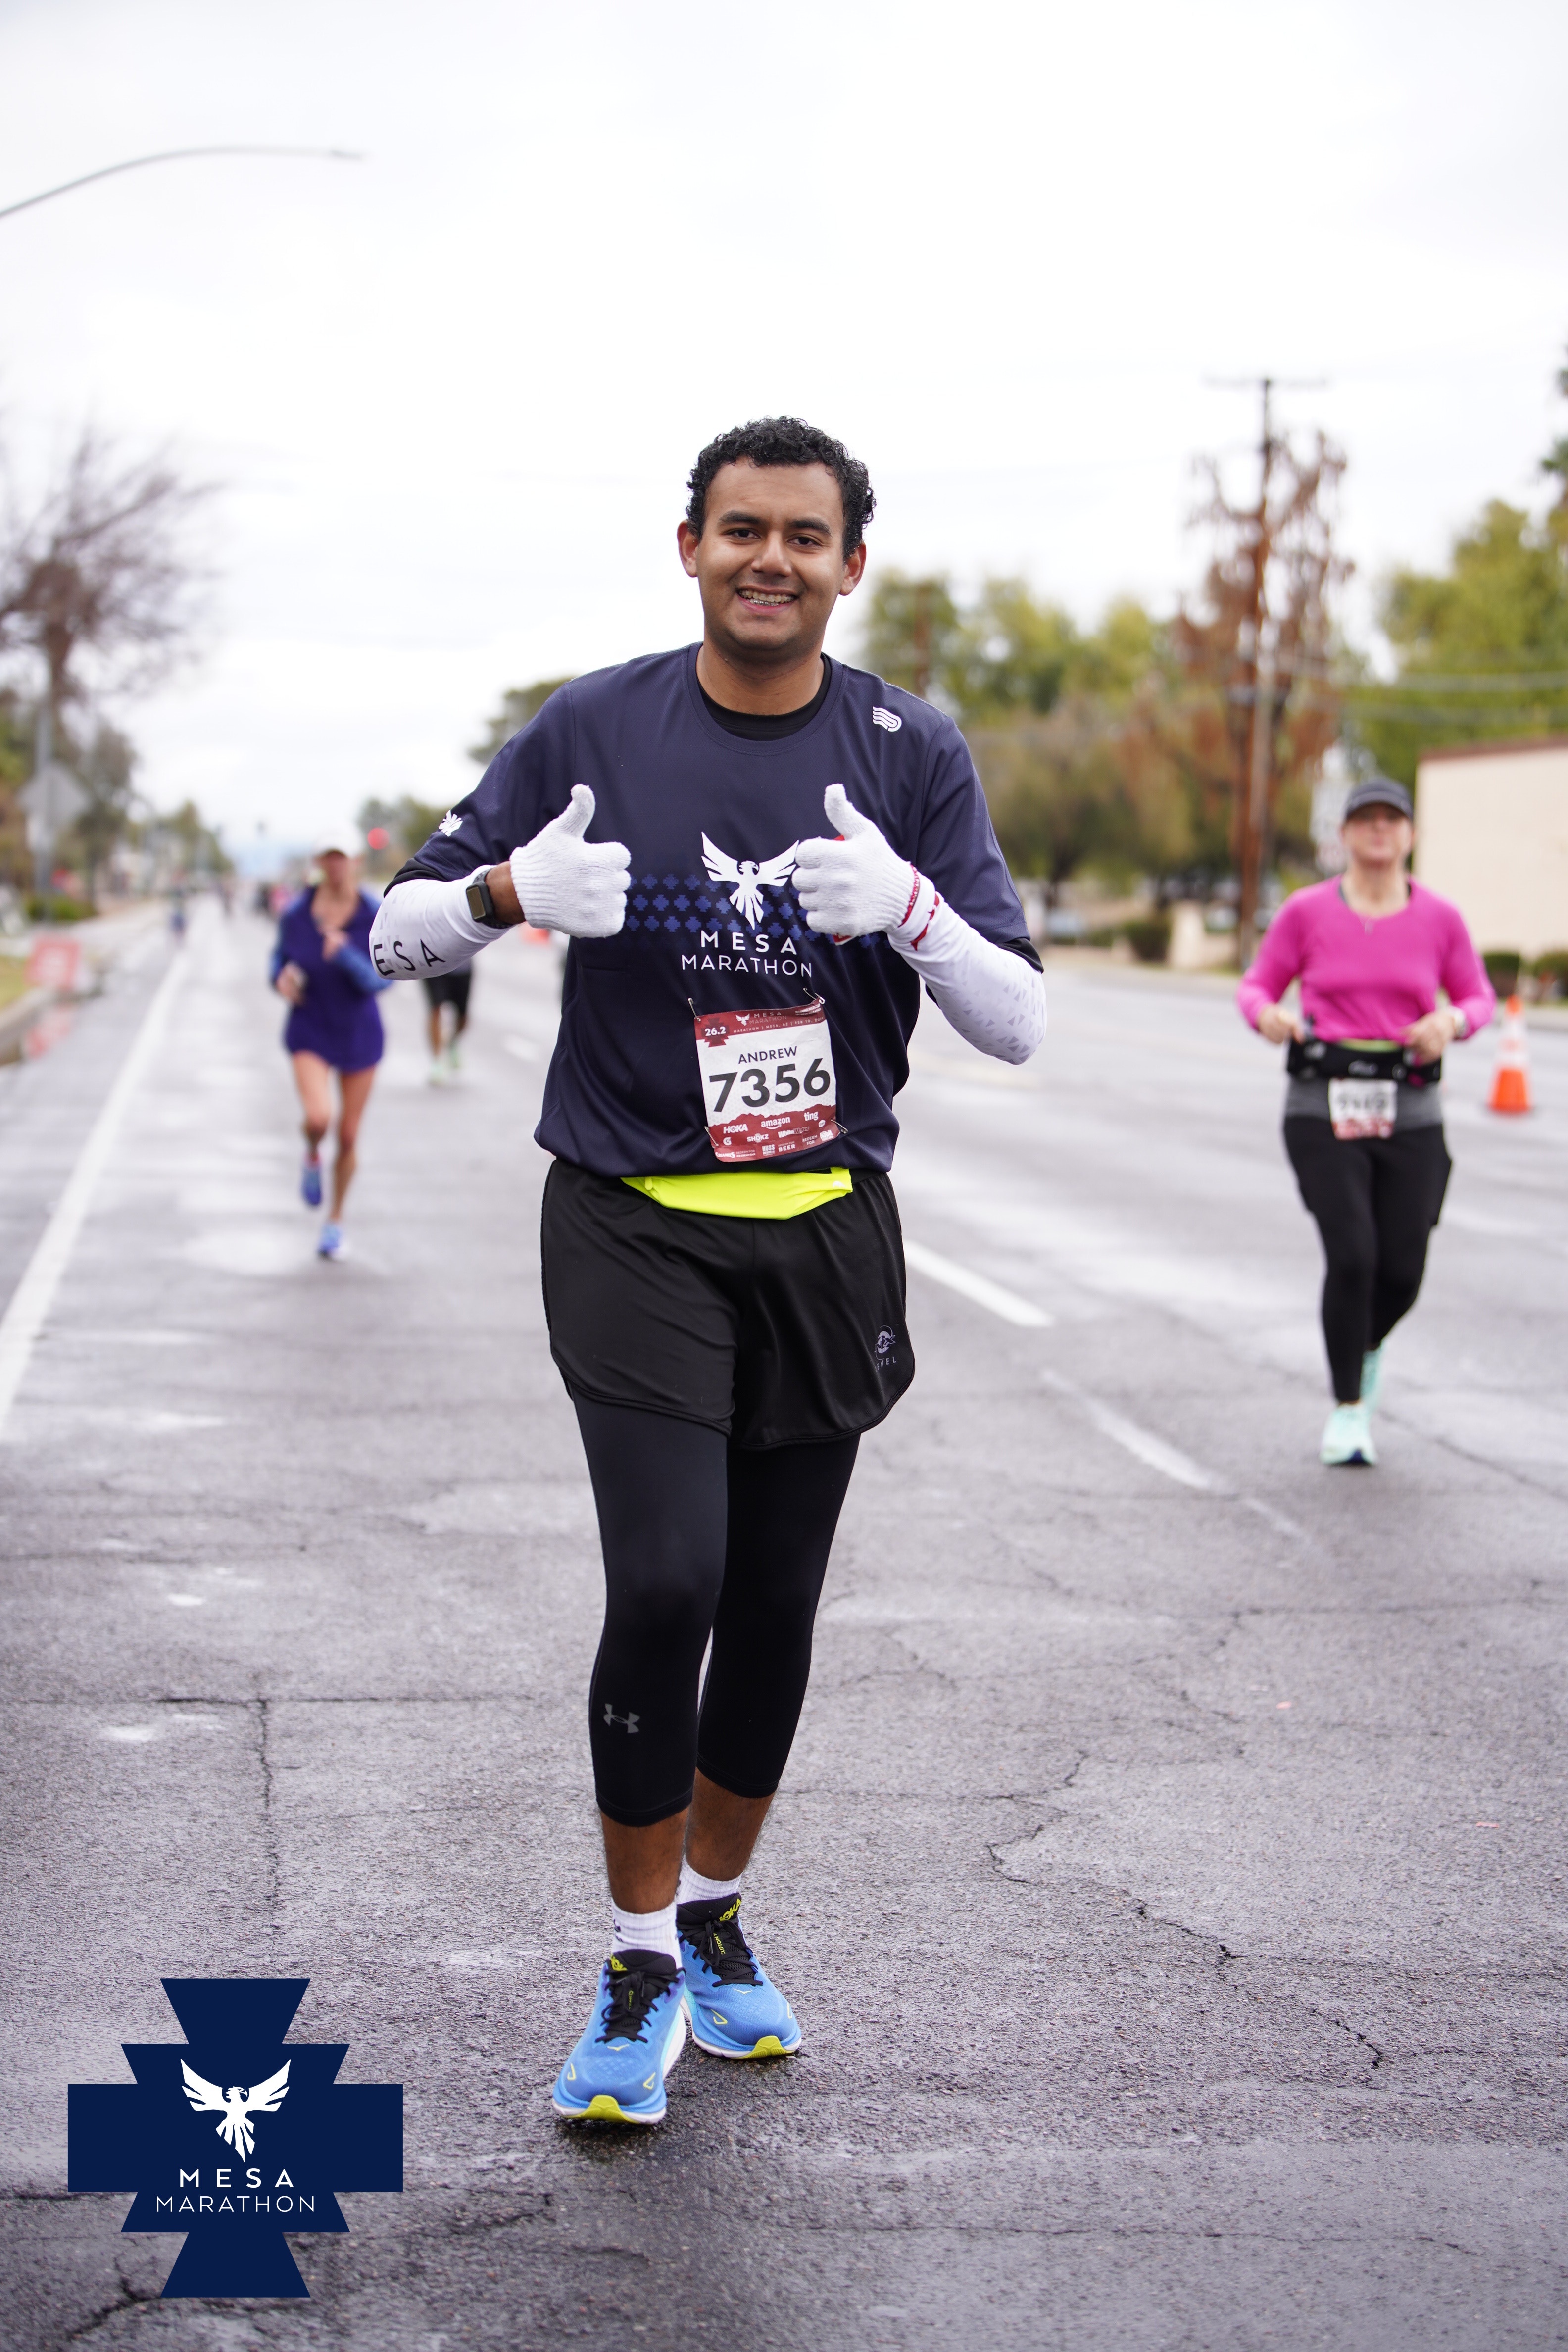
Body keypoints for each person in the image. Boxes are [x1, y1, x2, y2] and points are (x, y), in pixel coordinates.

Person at [370, 415, 1047, 2127]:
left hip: (823, 1226)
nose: (769, 559)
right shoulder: (594, 726)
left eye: (803, 536)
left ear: (849, 565)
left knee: (771, 1605)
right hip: (633, 1216)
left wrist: (910, 909)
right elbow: (388, 932)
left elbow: (1018, 1021)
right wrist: (507, 890)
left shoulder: (909, 748)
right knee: (668, 1581)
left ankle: (714, 1915)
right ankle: (633, 1962)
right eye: (740, 529)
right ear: (688, 546)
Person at [1238, 776, 1494, 1466]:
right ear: (1345, 834)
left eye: (1392, 819)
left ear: (1411, 834)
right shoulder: (1306, 911)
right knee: (1353, 1255)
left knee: (1402, 1267)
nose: (1380, 829)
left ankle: (1364, 1344)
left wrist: (1450, 1021)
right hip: (1323, 1104)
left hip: (1409, 1107)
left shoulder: (1440, 918)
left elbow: (1478, 997)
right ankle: (1349, 1409)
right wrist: (1268, 1015)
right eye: (1366, 819)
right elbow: (1257, 985)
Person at [270, 827, 392, 1261]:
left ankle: (335, 1222)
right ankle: (310, 1152)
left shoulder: (374, 914)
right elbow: (280, 960)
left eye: (343, 857)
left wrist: (345, 955)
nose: (336, 865)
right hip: (311, 1026)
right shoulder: (297, 913)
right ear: (319, 863)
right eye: (329, 857)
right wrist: (281, 977)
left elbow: (384, 979)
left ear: (356, 861)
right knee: (319, 1117)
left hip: (359, 1030)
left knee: (349, 1135)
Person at [422, 966, 472, 1083]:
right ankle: (437, 1061)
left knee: (463, 1017)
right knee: (435, 1009)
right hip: (434, 966)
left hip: (461, 968)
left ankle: (452, 1042)